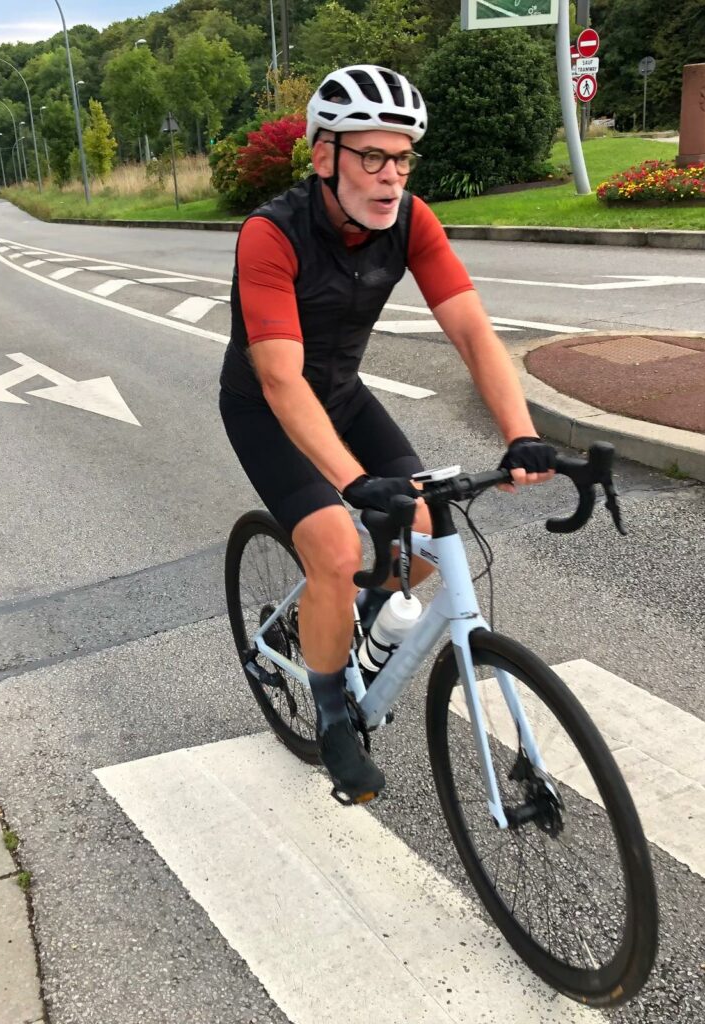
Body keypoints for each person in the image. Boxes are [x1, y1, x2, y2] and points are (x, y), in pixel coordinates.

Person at [218, 65, 557, 804]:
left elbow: (471, 330)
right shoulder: (271, 234)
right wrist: (351, 483)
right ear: (324, 157)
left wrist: (520, 433)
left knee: (428, 529)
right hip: (267, 410)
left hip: (343, 398)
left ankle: (351, 619)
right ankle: (331, 714)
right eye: (371, 156)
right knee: (337, 550)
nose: (390, 176)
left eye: (402, 158)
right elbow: (279, 379)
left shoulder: (410, 220)